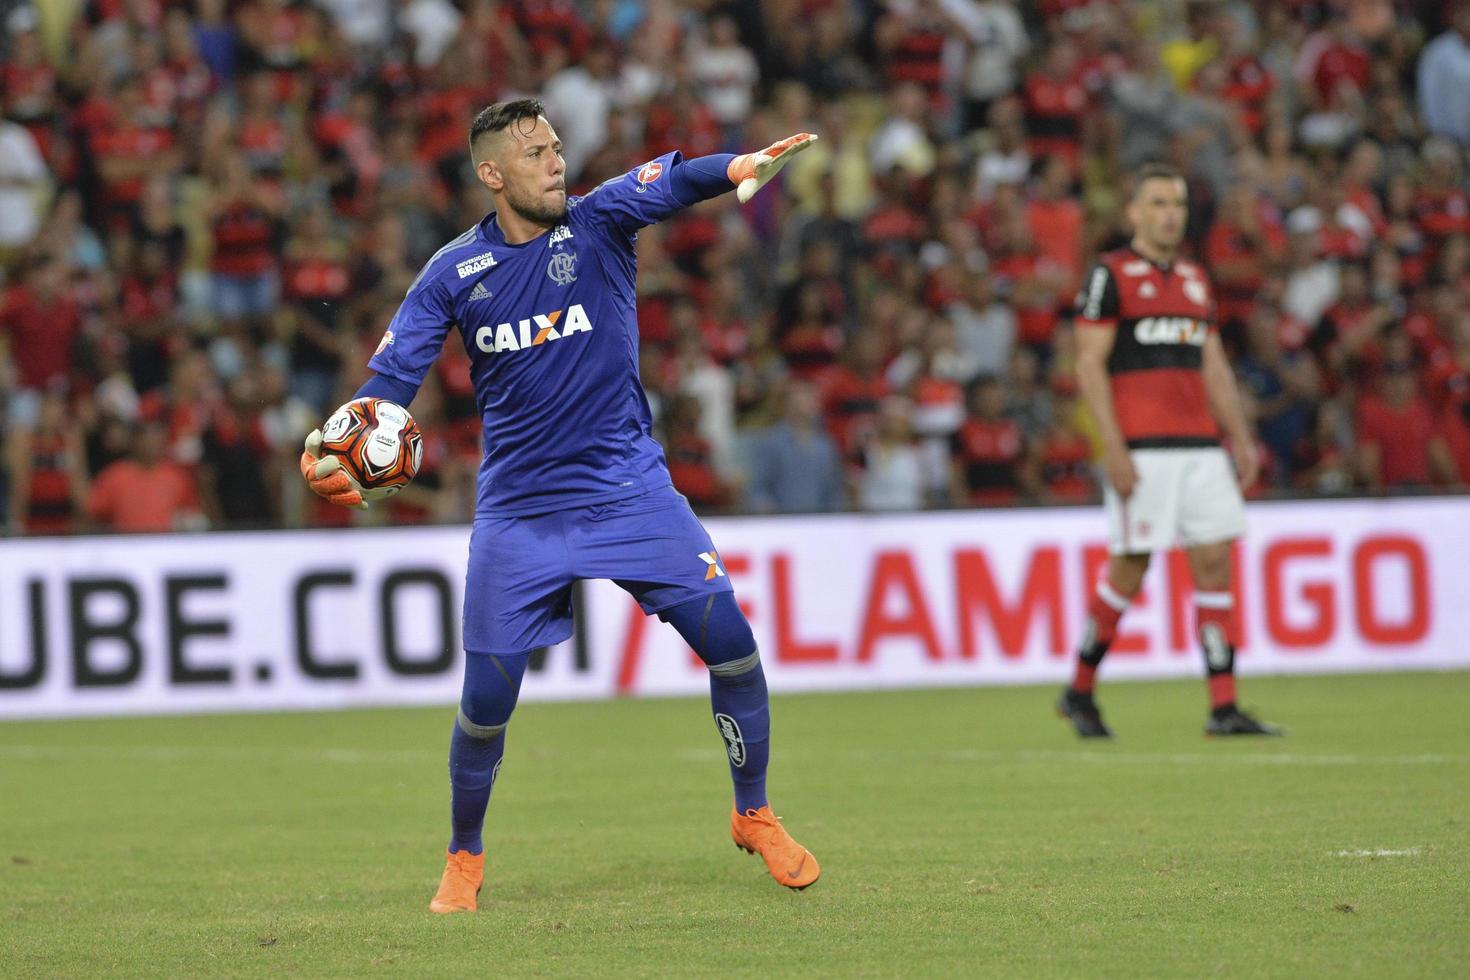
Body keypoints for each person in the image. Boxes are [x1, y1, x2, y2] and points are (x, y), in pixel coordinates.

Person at [297, 99, 821, 912]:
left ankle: (753, 811)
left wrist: (741, 167)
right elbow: (392, 384)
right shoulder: (451, 272)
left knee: (734, 647)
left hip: (630, 490)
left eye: (555, 146)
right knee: (485, 706)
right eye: (536, 152)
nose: (556, 162)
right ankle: (463, 859)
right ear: (492, 174)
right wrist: (341, 438)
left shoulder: (600, 220)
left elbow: (674, 181)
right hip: (520, 514)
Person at [1058, 163, 1282, 739]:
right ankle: (1079, 690)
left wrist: (1238, 435)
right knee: (1129, 571)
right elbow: (1088, 364)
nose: (1169, 214)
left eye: (1177, 204)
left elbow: (1212, 363)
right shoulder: (1110, 275)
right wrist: (1112, 448)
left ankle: (1223, 707)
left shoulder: (1194, 278)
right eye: (1157, 202)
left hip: (1201, 445)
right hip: (1143, 446)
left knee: (1214, 564)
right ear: (1134, 211)